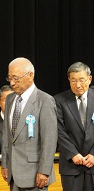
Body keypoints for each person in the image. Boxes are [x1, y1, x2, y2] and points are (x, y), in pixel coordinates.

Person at [1, 57, 57, 191]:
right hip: (13, 173)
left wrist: (44, 171)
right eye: (9, 78)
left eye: (16, 78)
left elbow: (49, 140)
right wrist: (5, 163)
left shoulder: (45, 100)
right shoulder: (10, 99)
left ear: (30, 75)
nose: (12, 83)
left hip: (35, 174)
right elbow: (7, 136)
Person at [54, 62, 94, 191]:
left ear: (89, 79)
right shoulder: (59, 101)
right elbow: (58, 130)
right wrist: (73, 153)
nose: (78, 85)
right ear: (69, 80)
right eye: (73, 81)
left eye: (81, 80)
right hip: (70, 165)